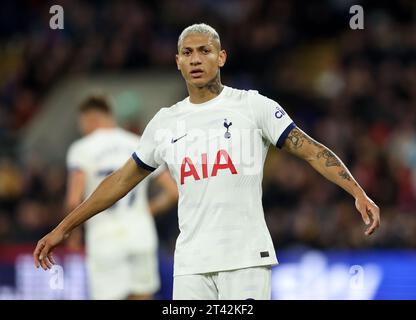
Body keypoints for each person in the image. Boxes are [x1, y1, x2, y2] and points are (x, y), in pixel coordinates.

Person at [34, 23, 380, 300]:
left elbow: (310, 149)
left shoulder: (253, 106)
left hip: (245, 259)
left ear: (221, 58)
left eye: (204, 51)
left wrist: (357, 192)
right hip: (191, 264)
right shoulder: (165, 121)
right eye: (187, 52)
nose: (196, 59)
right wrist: (65, 226)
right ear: (178, 62)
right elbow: (119, 181)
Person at [63, 95, 178, 299]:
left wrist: (71, 233)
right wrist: (149, 210)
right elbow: (173, 192)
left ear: (90, 119)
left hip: (104, 237)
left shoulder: (82, 148)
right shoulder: (137, 143)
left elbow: (74, 199)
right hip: (141, 234)